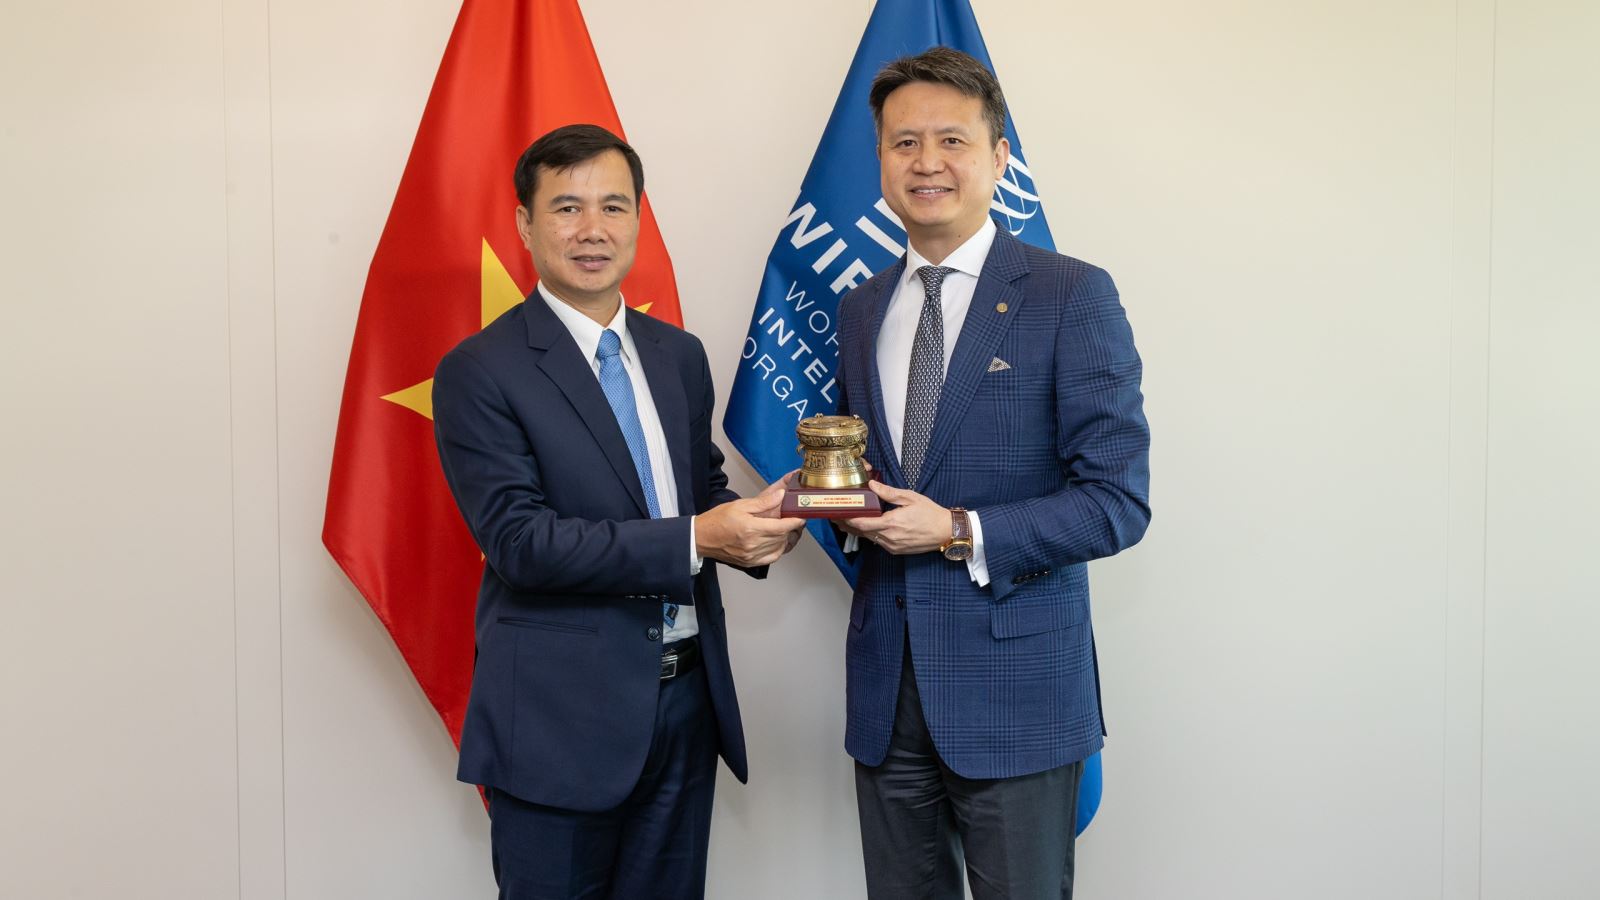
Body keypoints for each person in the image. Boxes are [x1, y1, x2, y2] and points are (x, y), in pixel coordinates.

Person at [432, 124, 805, 900]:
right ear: (524, 224)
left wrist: (765, 519)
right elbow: (522, 543)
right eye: (566, 208)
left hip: (686, 707)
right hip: (558, 723)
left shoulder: (678, 355)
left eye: (613, 206)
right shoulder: (480, 371)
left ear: (639, 217)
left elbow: (698, 493)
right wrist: (700, 537)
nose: (592, 229)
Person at [837, 48, 1152, 899]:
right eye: (904, 142)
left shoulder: (1070, 295)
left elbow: (1117, 502)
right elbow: (867, 471)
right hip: (886, 692)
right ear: (880, 159)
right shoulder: (861, 308)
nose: (927, 162)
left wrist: (955, 529)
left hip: (1018, 692)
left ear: (1000, 156)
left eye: (953, 140)